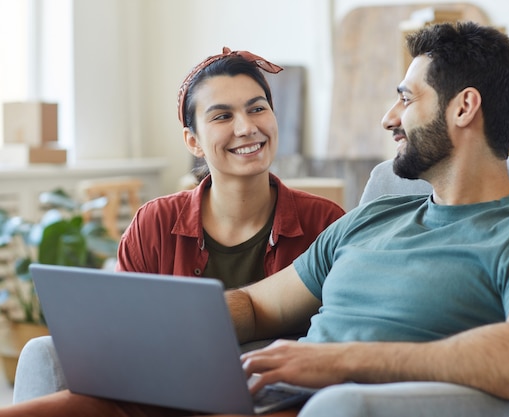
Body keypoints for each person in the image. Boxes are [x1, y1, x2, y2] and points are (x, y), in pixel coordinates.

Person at [1, 22, 509, 417]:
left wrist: (338, 360)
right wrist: (156, 330)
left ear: (465, 107)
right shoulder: (373, 219)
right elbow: (259, 306)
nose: (390, 116)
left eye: (407, 98)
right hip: (258, 394)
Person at [115, 47, 345, 288]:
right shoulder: (154, 225)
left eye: (257, 109)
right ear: (193, 142)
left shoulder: (326, 223)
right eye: (222, 116)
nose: (246, 128)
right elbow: (123, 321)